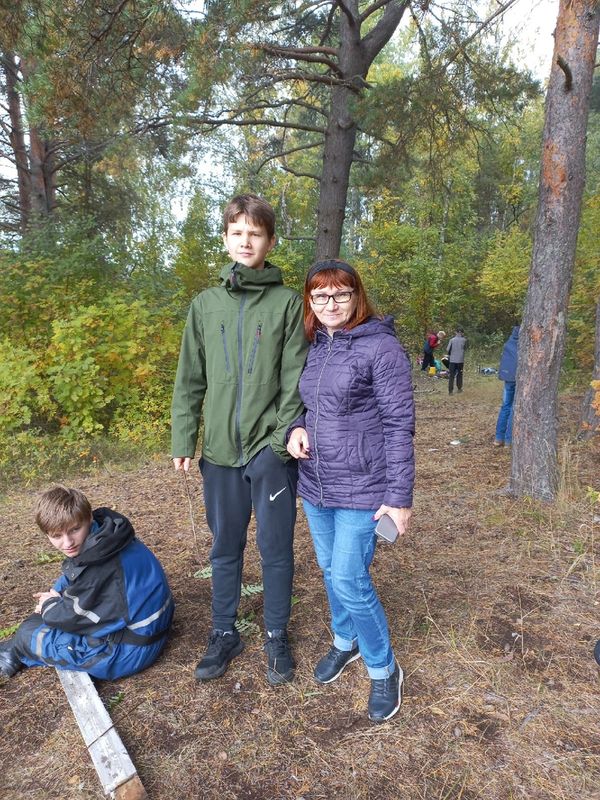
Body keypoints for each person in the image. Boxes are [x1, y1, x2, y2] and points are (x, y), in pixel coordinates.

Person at [171, 194, 307, 686]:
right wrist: (184, 438)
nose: (246, 241)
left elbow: (295, 379)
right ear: (226, 238)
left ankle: (275, 634)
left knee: (276, 548)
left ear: (270, 241)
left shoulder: (288, 303)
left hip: (270, 453)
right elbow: (190, 378)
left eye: (255, 233)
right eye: (237, 232)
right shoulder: (206, 305)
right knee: (224, 547)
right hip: (220, 455)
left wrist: (278, 442)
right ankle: (224, 632)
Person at [287, 260, 415, 723]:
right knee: (329, 571)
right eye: (320, 295)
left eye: (340, 294)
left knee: (348, 579)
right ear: (310, 301)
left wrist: (399, 498)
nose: (331, 304)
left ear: (356, 296)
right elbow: (306, 404)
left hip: (364, 486)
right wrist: (296, 427)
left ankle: (384, 668)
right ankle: (346, 641)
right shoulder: (314, 344)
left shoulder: (381, 347)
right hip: (316, 483)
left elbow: (399, 425)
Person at [0, 486, 173, 681]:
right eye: (56, 536)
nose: (68, 543)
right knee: (39, 619)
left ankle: (14, 652)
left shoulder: (102, 567)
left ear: (88, 518)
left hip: (130, 651)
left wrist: (49, 605)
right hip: (150, 627)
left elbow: (73, 619)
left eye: (74, 530)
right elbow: (75, 575)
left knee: (27, 633)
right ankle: (15, 648)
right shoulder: (107, 535)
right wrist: (55, 594)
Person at [494, 325, 520, 447]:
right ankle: (509, 440)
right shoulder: (525, 343)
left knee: (505, 406)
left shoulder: (509, 342)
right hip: (518, 378)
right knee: (514, 407)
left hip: (507, 377)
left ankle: (498, 438)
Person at [446, 327, 467, 394]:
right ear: (462, 333)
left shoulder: (451, 340)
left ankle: (450, 391)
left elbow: (447, 349)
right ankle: (459, 388)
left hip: (452, 360)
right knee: (460, 374)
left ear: (456, 332)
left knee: (451, 375)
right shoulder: (464, 340)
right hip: (460, 360)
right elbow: (465, 348)